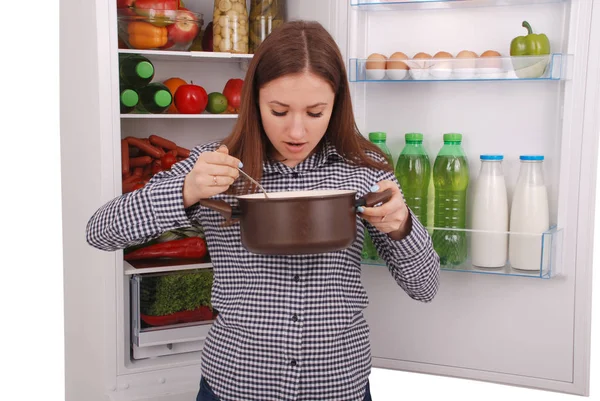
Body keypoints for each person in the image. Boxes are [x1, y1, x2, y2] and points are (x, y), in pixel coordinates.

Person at [87, 20, 440, 401]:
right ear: (255, 99)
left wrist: (402, 226)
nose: (297, 132)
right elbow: (100, 232)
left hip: (339, 385)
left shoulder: (365, 168)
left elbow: (426, 287)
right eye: (279, 110)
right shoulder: (216, 165)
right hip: (235, 385)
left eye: (315, 112)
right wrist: (185, 190)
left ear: (337, 104)